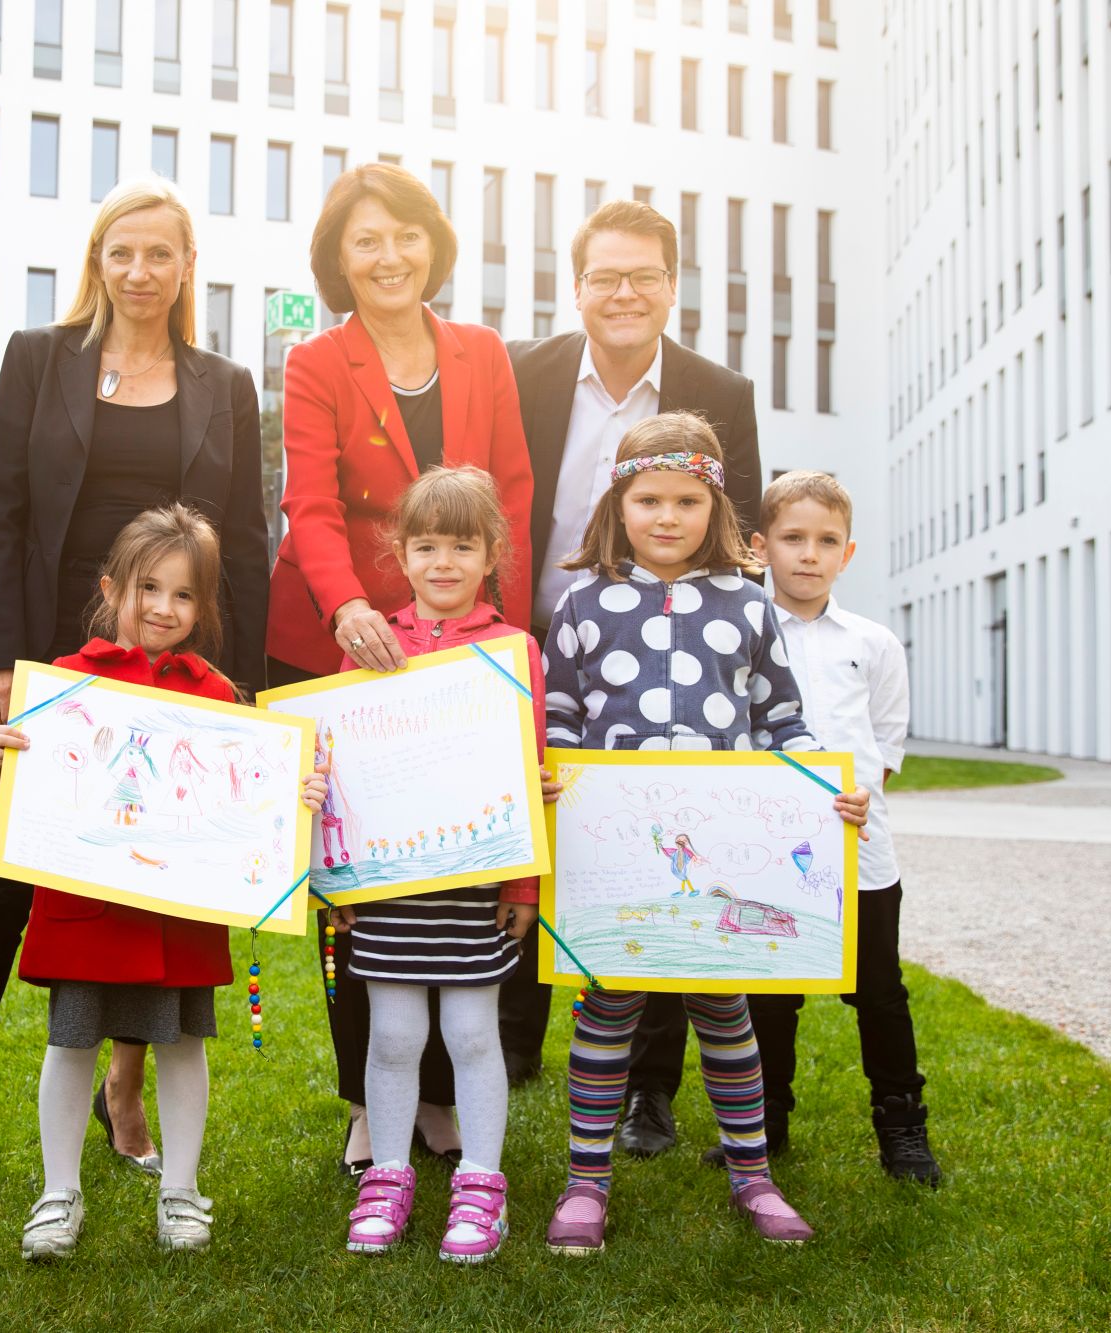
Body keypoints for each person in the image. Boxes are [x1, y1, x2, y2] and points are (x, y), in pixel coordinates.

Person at [0, 177, 268, 1193]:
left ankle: (123, 1089)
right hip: (52, 655)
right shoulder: (40, 359)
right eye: (121, 252)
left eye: (159, 253)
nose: (139, 271)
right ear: (97, 260)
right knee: (8, 881)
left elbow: (245, 540)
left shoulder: (225, 383)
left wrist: (238, 690)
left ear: (183, 268)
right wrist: (0, 657)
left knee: (147, 872)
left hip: (171, 657)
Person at [539, 413, 872, 1252]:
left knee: (725, 1012)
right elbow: (561, 717)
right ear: (619, 502)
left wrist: (824, 794)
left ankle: (752, 1174)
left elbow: (782, 720)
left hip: (721, 861)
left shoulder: (747, 606)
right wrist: (555, 774)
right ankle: (586, 1181)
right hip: (613, 857)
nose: (666, 516)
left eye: (686, 499)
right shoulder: (581, 606)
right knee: (605, 1012)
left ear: (715, 508)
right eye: (647, 497)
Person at [267, 162, 535, 1175]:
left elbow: (508, 483)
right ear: (338, 258)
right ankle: (368, 1102)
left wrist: (491, 612)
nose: (387, 256)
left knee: (460, 864)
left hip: (464, 637)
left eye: (405, 235)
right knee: (364, 881)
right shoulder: (315, 359)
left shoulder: (480, 353)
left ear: (434, 243)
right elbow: (312, 504)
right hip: (350, 638)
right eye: (363, 241)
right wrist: (347, 607)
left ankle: (443, 1099)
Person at [0, 505, 328, 1257]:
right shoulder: (63, 685)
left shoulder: (219, 697)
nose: (165, 608)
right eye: (149, 588)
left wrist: (291, 801)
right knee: (70, 1043)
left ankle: (182, 1192)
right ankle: (56, 1192)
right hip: (84, 902)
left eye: (185, 595)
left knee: (183, 1044)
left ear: (204, 608)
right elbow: (16, 801)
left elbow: (250, 802)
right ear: (112, 588)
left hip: (180, 909)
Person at [502, 200, 766, 1159]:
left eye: (644, 275)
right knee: (546, 830)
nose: (624, 292)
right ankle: (520, 1038)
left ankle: (652, 1087)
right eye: (605, 276)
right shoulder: (521, 370)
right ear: (577, 287)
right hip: (540, 632)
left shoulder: (718, 389)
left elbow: (733, 527)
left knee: (671, 841)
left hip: (675, 643)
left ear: (670, 284)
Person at [328, 467, 556, 1264]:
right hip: (390, 889)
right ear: (400, 551)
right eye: (427, 545)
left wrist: (524, 884)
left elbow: (530, 769)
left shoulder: (513, 649)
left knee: (470, 1031)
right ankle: (387, 1176)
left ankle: (481, 1184)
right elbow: (343, 775)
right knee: (390, 1035)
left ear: (493, 551)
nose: (444, 562)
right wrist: (338, 883)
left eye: (463, 545)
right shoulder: (372, 647)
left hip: (474, 890)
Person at [727, 470, 941, 1182]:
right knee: (770, 993)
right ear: (760, 547)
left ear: (847, 554)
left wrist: (858, 795)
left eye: (826, 541)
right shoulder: (742, 633)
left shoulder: (873, 642)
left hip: (862, 853)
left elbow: (885, 741)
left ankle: (902, 1125)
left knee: (879, 989)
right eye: (792, 539)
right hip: (768, 857)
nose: (808, 555)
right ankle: (766, 1122)